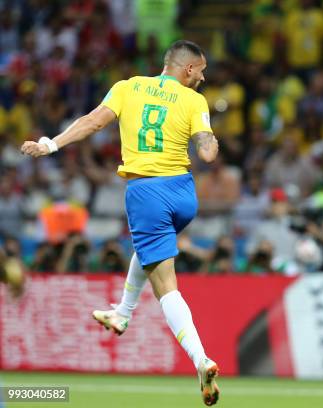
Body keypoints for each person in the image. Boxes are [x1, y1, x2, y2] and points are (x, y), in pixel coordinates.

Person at [21, 40, 221, 406]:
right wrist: (210, 142)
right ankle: (122, 313)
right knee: (147, 249)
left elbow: (93, 122)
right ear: (188, 69)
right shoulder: (195, 102)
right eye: (202, 70)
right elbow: (207, 150)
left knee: (166, 286)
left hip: (147, 192)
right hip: (184, 194)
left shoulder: (127, 87)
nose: (204, 77)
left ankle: (200, 359)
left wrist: (51, 145)